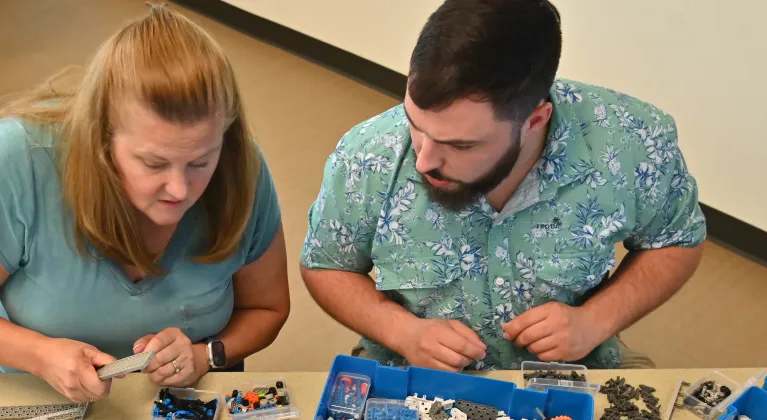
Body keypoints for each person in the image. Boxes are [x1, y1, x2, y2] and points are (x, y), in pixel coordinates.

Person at [0, 5, 289, 402]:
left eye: (200, 162)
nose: (179, 189)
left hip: (166, 391)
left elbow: (267, 308)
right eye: (153, 162)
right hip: (8, 374)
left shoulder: (241, 168)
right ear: (101, 139)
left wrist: (205, 354)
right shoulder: (17, 161)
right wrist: (40, 355)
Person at [300, 0, 704, 371]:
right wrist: (402, 332)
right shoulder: (368, 155)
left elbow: (675, 240)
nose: (424, 160)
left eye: (461, 145)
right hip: (411, 372)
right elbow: (326, 265)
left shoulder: (631, 141)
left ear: (535, 119)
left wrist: (595, 321)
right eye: (416, 124)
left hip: (574, 371)